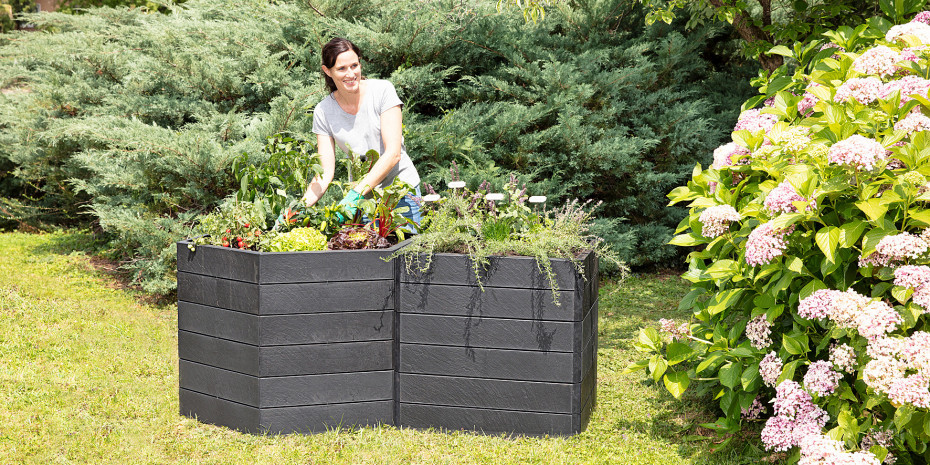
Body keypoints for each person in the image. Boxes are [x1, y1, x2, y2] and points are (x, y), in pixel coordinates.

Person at [304, 37, 422, 230]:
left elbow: (393, 153)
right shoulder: (323, 111)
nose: (351, 74)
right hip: (363, 203)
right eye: (341, 69)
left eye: (354, 65)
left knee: (405, 257)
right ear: (328, 71)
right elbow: (325, 172)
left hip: (400, 196)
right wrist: (298, 209)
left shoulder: (382, 91)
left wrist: (354, 195)